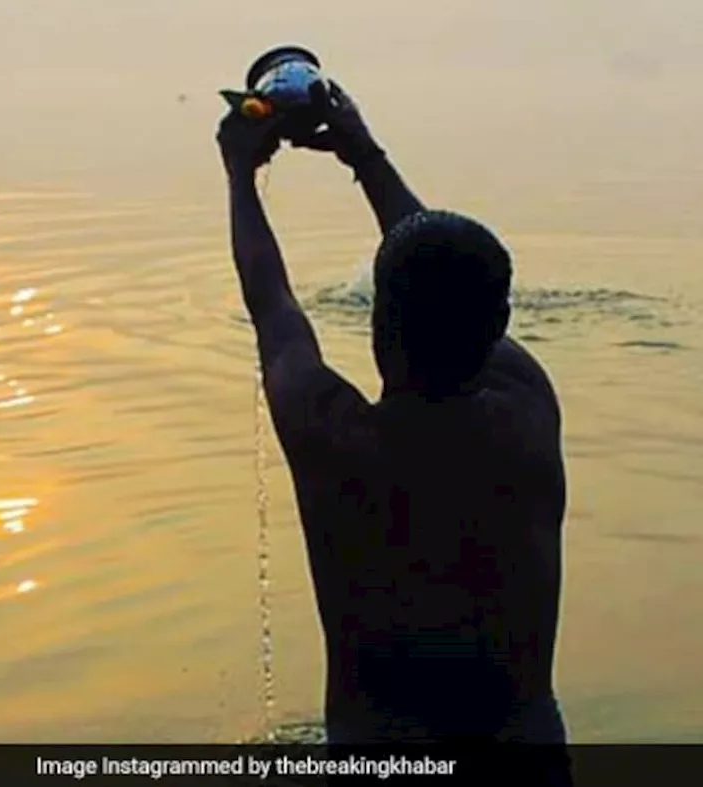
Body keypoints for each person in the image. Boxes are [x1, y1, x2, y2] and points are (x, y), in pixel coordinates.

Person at [216, 81, 569, 746]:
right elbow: (442, 264)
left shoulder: (334, 437)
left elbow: (272, 304)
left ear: (376, 323)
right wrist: (364, 155)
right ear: (499, 324)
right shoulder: (528, 416)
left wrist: (241, 173)